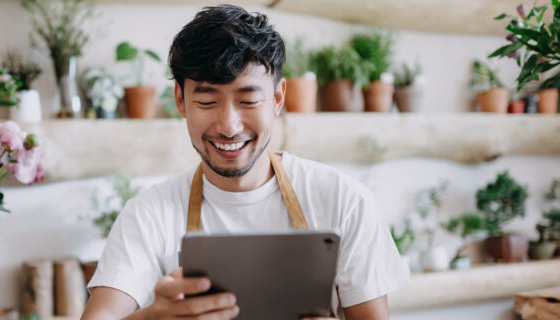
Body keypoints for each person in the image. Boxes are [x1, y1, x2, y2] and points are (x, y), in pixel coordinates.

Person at [81, 5, 409, 320]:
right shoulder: (149, 215)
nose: (229, 126)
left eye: (248, 100)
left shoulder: (345, 200)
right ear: (181, 101)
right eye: (207, 101)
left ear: (278, 99)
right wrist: (155, 317)